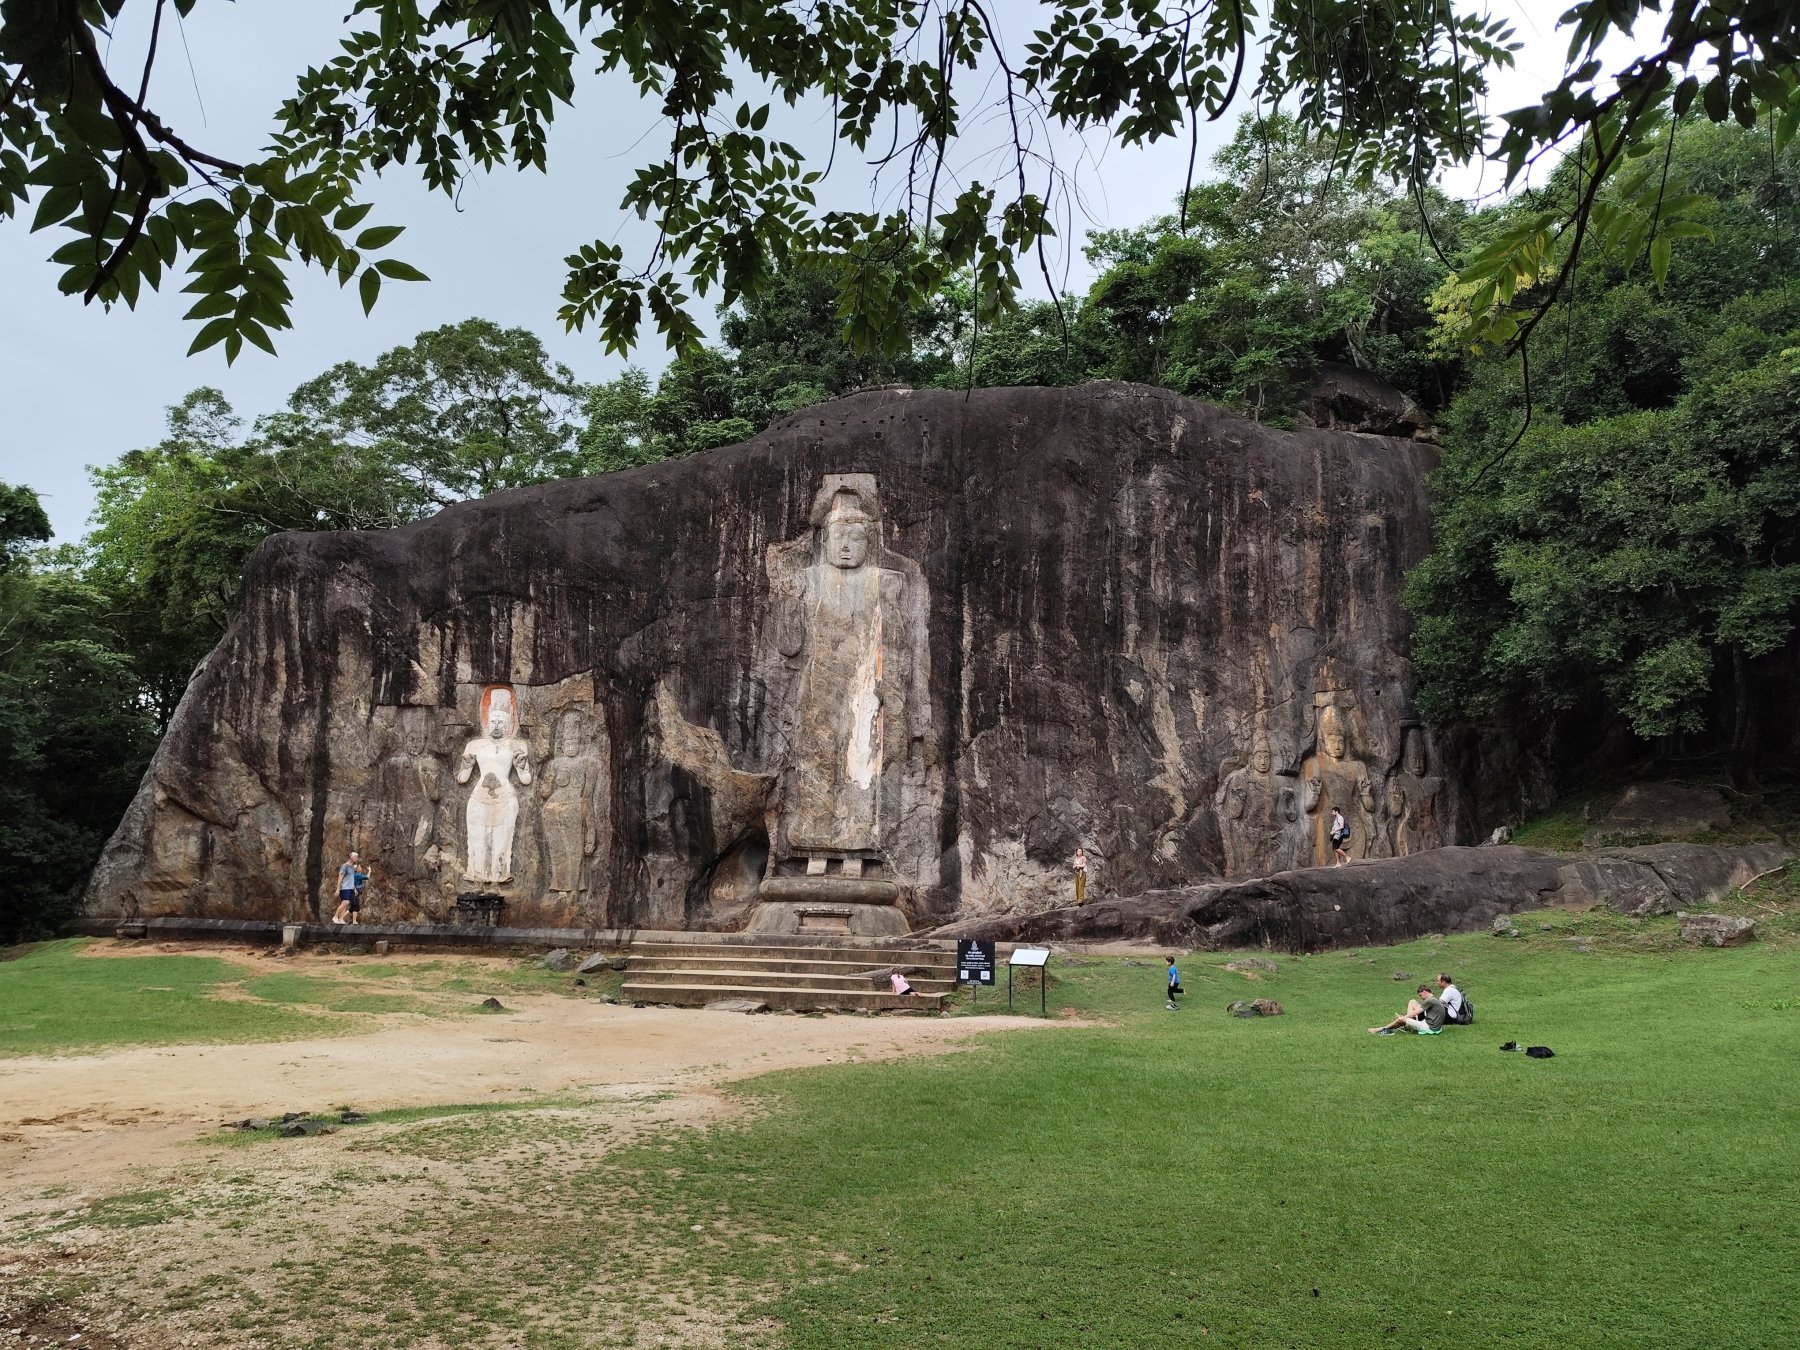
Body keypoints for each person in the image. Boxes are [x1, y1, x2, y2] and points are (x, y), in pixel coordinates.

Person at [1369, 985, 1446, 1035]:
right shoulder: (1434, 999)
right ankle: (1406, 1025)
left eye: (1420, 995)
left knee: (1401, 1019)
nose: (1421, 998)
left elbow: (1414, 1013)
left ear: (1424, 992)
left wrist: (1403, 1018)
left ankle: (1382, 1029)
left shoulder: (1429, 1000)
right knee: (1412, 1001)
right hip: (1430, 1024)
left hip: (1429, 1027)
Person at [332, 852, 368, 925]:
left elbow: (351, 879)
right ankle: (335, 916)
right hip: (344, 888)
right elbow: (340, 877)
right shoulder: (345, 866)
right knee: (346, 902)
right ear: (351, 857)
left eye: (357, 857)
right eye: (355, 857)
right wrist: (338, 889)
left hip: (350, 888)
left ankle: (341, 919)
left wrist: (354, 889)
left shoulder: (352, 868)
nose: (357, 858)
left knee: (345, 904)